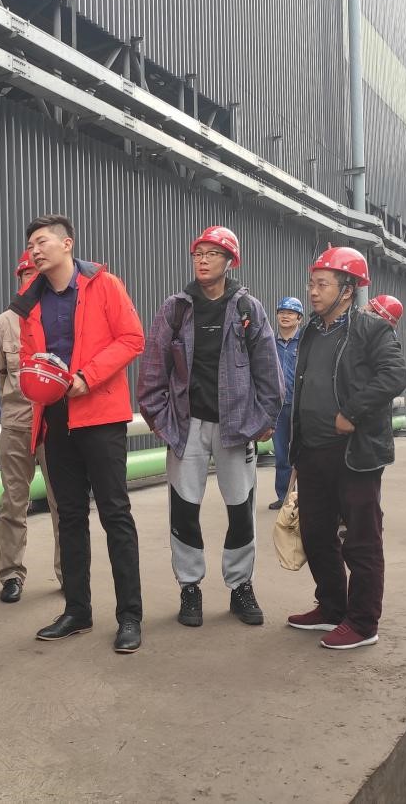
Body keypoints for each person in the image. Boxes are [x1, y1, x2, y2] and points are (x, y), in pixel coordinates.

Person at [10, 214, 146, 654]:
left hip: (101, 416)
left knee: (115, 514)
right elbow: (28, 356)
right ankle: (77, 611)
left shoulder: (103, 285)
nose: (34, 250)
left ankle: (130, 616)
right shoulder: (30, 301)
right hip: (55, 419)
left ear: (67, 244)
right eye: (31, 245)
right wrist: (37, 380)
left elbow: (132, 338)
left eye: (42, 242)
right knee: (69, 517)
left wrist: (88, 376)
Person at [137, 226, 282, 628]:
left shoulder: (248, 309)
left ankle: (240, 586)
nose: (202, 260)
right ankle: (189, 587)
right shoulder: (176, 309)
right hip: (188, 427)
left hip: (236, 428)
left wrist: (266, 417)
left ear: (230, 261)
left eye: (212, 254)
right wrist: (161, 421)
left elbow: (267, 368)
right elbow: (153, 370)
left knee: (241, 509)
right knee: (184, 509)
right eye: (198, 253)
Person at [286, 246, 406, 650]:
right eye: (311, 283)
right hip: (313, 451)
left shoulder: (371, 329)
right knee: (316, 533)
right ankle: (332, 606)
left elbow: (394, 375)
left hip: (354, 452)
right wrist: (298, 449)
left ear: (348, 290)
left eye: (322, 284)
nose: (313, 292)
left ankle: (363, 622)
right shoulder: (311, 331)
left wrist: (352, 412)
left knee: (361, 538)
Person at [0, 251, 62, 604]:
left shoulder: (60, 316)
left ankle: (69, 573)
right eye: (27, 275)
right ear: (18, 279)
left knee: (63, 503)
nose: (33, 280)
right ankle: (11, 575)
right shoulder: (4, 322)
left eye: (39, 274)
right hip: (17, 424)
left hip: (55, 425)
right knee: (13, 503)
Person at [270, 295, 304, 510]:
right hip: (277, 407)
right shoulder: (269, 342)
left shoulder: (305, 343)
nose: (285, 316)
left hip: (300, 406)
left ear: (299, 318)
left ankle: (305, 497)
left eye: (290, 313)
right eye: (282, 312)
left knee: (303, 454)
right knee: (281, 455)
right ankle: (284, 497)